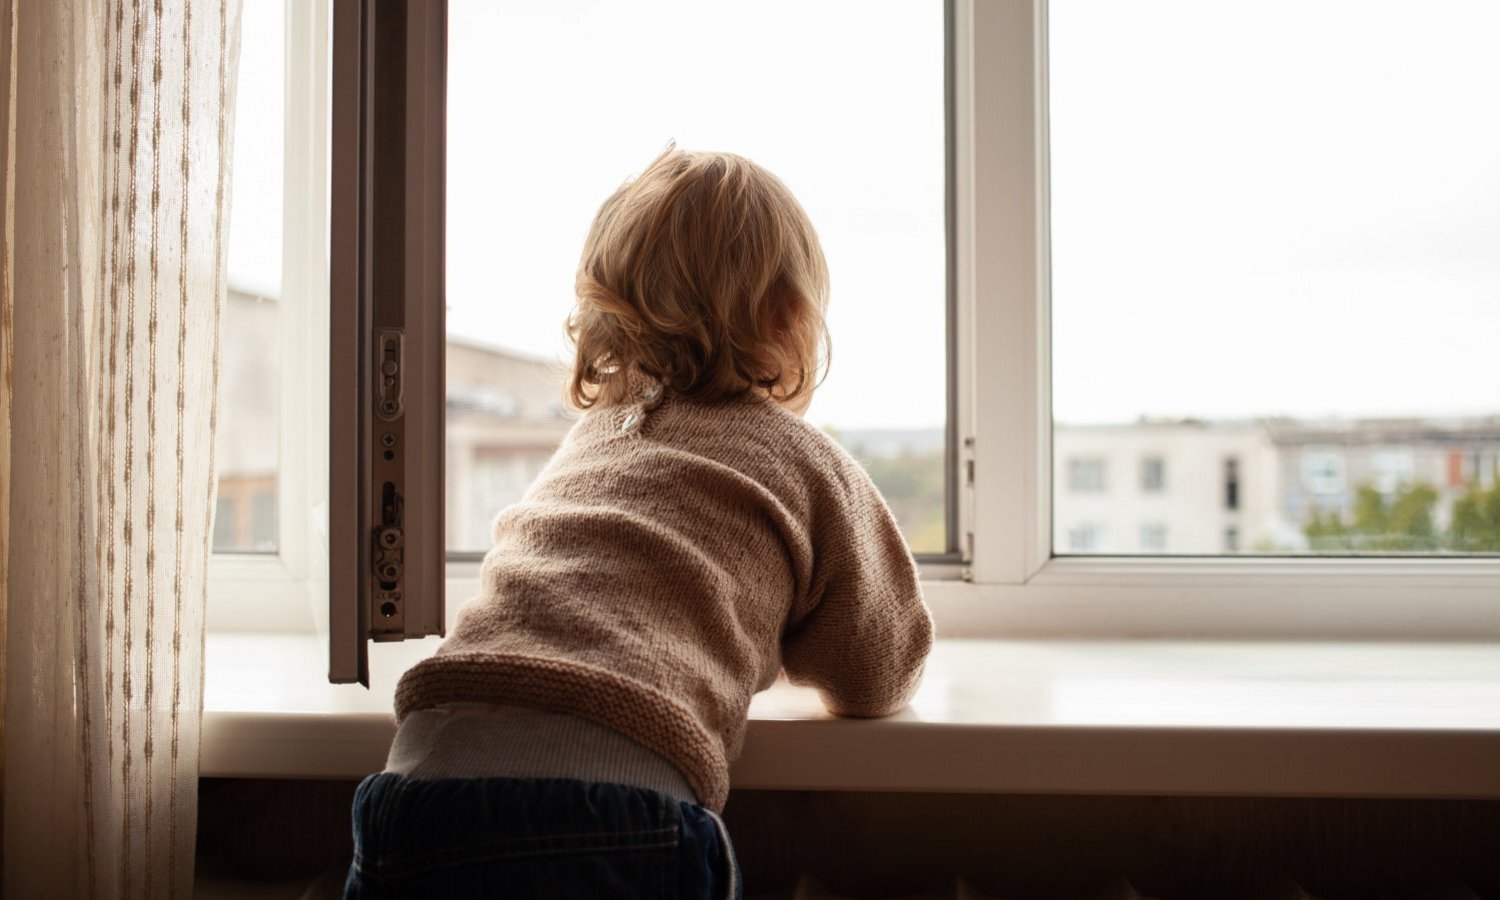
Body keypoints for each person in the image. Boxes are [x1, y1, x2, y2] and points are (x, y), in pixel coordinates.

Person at [343, 146, 934, 899]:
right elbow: (874, 669)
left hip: (413, 787)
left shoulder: (592, 444)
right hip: (607, 808)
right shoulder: (803, 458)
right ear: (793, 319)